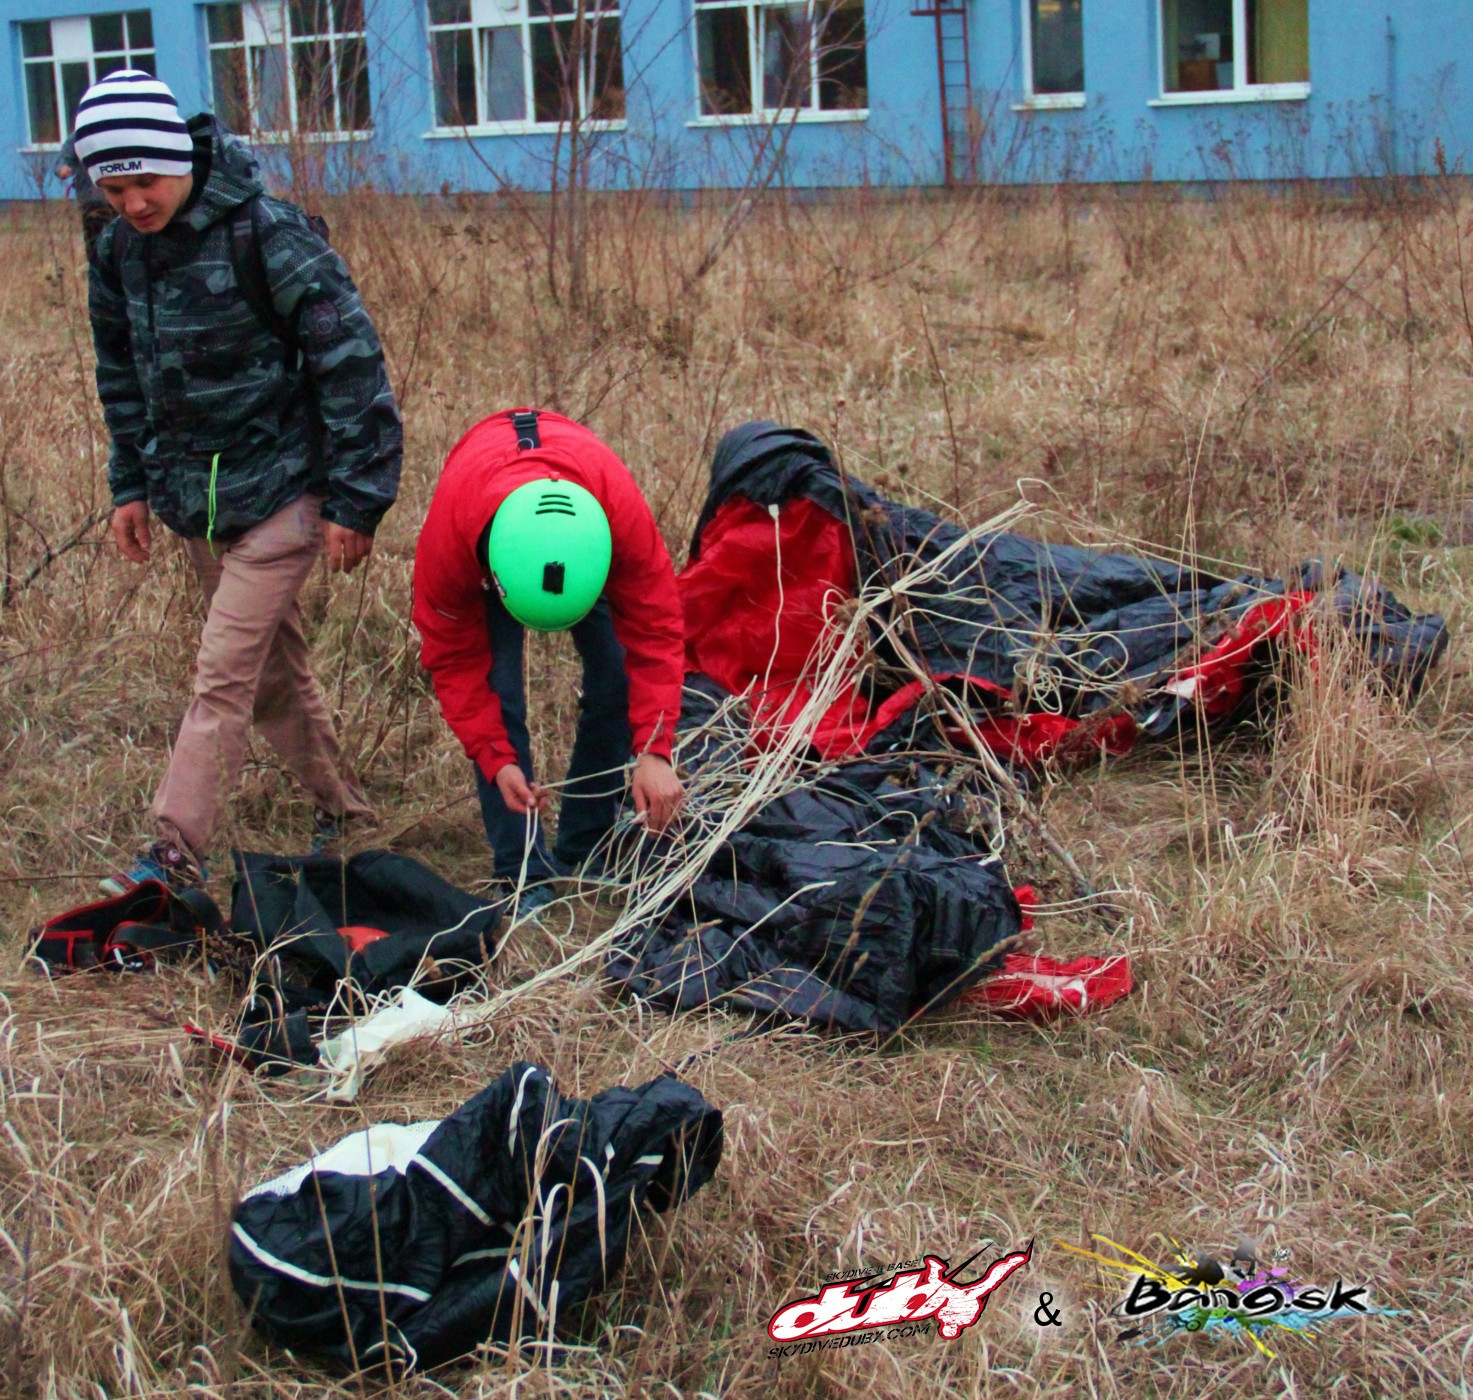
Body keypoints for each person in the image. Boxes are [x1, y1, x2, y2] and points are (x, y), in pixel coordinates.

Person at [76, 69, 403, 892]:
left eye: (145, 183)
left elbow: (351, 361)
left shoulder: (269, 235)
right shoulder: (117, 252)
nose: (133, 203)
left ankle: (171, 853)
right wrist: (129, 485)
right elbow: (122, 375)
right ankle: (345, 812)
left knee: (221, 675)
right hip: (196, 501)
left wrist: (358, 497)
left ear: (179, 160)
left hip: (288, 490)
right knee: (269, 675)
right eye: (113, 189)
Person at [413, 409, 685, 912]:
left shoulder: (618, 520)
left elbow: (656, 633)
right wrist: (496, 759)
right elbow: (455, 662)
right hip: (484, 518)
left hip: (584, 522)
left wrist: (654, 749)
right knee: (498, 688)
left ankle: (587, 843)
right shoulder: (451, 542)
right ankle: (523, 872)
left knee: (616, 671)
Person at [54, 132, 114, 256]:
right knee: (95, 248)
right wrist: (62, 168)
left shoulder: (120, 130)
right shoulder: (81, 134)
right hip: (92, 202)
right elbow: (63, 159)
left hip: (121, 201)